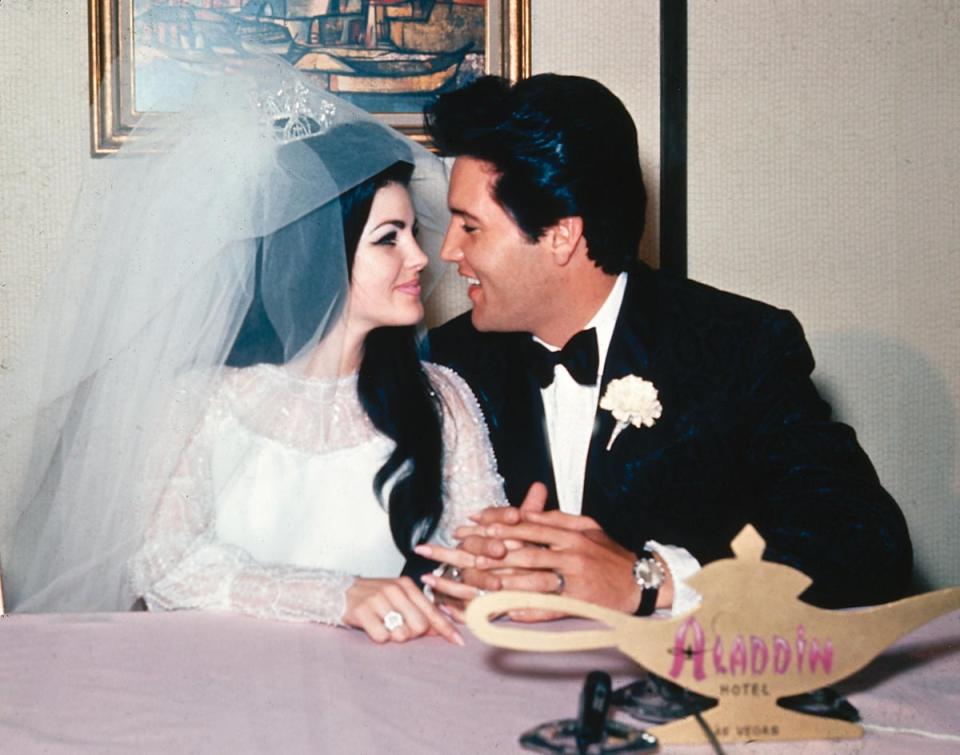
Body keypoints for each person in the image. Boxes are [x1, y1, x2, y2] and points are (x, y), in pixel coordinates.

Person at [0, 61, 505, 644]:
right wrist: (337, 596)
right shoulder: (202, 400)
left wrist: (496, 560)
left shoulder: (442, 397)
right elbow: (165, 566)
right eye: (389, 238)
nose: (421, 258)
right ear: (318, 255)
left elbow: (475, 563)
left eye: (412, 234)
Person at [414, 74, 912, 617]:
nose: (446, 250)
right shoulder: (448, 361)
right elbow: (403, 550)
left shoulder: (738, 348)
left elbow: (867, 543)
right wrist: (456, 569)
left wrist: (651, 580)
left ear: (561, 234)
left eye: (470, 226)